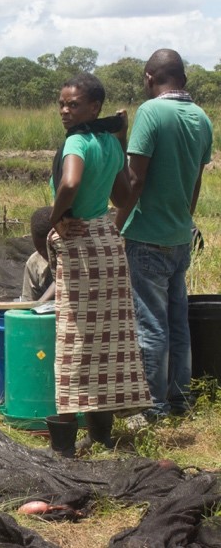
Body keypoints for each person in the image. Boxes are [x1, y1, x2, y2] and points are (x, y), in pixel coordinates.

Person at [45, 73, 151, 457]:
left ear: (94, 107)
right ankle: (102, 435)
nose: (65, 110)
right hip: (108, 245)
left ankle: (69, 439)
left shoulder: (77, 141)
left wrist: (56, 217)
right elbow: (124, 195)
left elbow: (70, 184)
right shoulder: (108, 141)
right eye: (61, 103)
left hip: (80, 247)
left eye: (73, 104)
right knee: (108, 343)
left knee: (75, 344)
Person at [116, 49, 214, 423]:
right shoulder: (202, 118)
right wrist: (183, 220)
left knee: (151, 325)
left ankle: (153, 408)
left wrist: (117, 223)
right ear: (183, 79)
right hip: (178, 235)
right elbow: (196, 180)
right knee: (177, 321)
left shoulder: (152, 112)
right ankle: (180, 401)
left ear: (148, 77)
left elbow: (135, 179)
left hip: (146, 236)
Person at [20, 206, 55, 302]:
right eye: (41, 251)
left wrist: (41, 302)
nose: (46, 254)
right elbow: (28, 303)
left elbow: (62, 279)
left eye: (51, 248)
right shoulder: (34, 263)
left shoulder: (75, 257)